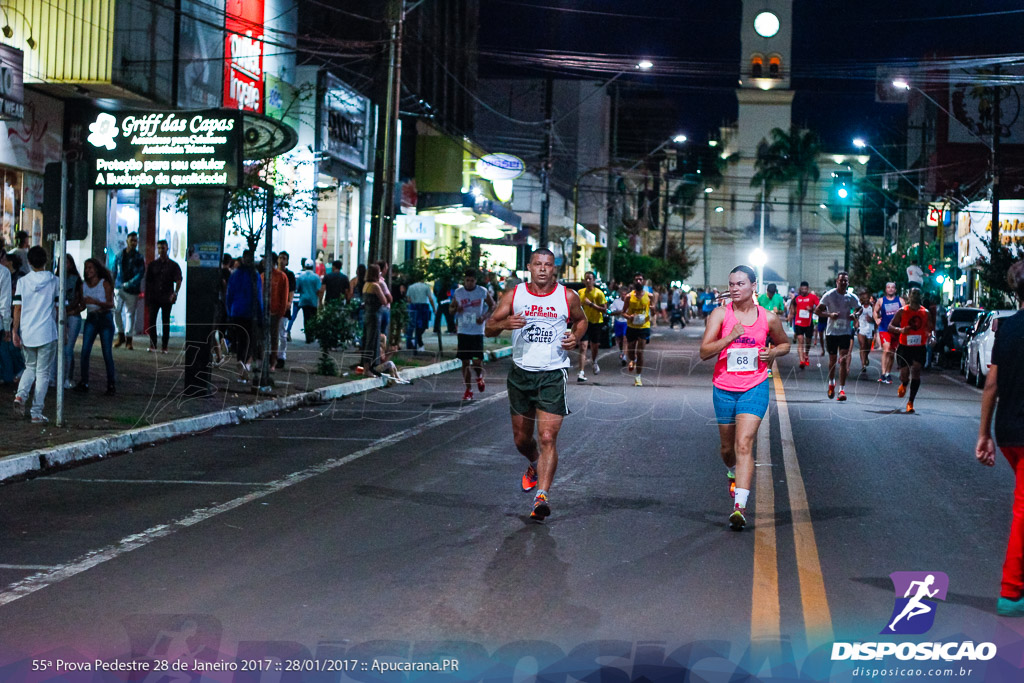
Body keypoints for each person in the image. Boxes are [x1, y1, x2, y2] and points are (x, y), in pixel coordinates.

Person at [485, 248, 587, 522]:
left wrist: (575, 337)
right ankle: (533, 464)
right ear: (529, 266)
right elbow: (488, 327)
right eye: (538, 264)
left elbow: (581, 321)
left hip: (553, 374)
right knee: (521, 440)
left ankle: (541, 496)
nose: (543, 269)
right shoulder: (514, 295)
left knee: (547, 438)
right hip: (521, 374)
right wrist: (505, 323)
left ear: (555, 269)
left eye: (548, 265)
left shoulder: (567, 296)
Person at [699, 265, 790, 531]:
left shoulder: (768, 318)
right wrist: (730, 337)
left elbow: (784, 344)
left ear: (753, 286)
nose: (735, 289)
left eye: (740, 284)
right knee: (728, 450)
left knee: (744, 444)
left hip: (755, 385)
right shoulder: (719, 315)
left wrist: (772, 354)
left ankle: (739, 507)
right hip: (724, 387)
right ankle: (731, 472)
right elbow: (704, 352)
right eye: (731, 284)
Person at [975, 260, 1024, 617]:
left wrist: (984, 433)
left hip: (1008, 431)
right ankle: (1010, 591)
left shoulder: (1006, 330)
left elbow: (991, 384)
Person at [12, 246, 59, 422]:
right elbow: (58, 307)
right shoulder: (54, 281)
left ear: (29, 262)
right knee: (43, 373)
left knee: (30, 367)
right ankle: (36, 412)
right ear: (45, 260)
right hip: (47, 332)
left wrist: (15, 330)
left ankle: (20, 396)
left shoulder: (23, 282)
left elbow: (17, 308)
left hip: (28, 332)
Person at [75, 258, 117, 396]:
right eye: (86, 268)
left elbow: (111, 304)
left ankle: (111, 384)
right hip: (92, 317)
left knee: (107, 352)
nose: (88, 271)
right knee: (85, 350)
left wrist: (96, 302)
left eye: (90, 268)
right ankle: (84, 381)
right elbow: (82, 305)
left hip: (104, 317)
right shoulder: (83, 285)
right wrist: (71, 311)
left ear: (97, 269)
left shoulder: (104, 283)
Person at [816, 272, 860, 402]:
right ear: (837, 281)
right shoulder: (829, 295)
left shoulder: (851, 297)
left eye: (846, 281)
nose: (844, 283)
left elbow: (859, 308)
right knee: (832, 360)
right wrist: (830, 315)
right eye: (841, 281)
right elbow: (817, 311)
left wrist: (855, 315)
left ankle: (842, 389)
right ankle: (831, 382)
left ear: (848, 283)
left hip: (845, 332)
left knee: (844, 360)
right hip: (832, 333)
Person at [451, 269, 495, 400]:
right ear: (464, 280)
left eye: (472, 280)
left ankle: (479, 376)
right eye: (467, 280)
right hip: (463, 331)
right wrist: (455, 309)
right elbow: (451, 309)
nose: (469, 283)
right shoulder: (459, 293)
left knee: (476, 361)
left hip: (477, 331)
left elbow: (492, 305)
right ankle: (468, 389)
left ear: (476, 281)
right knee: (465, 362)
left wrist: (484, 317)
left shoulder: (482, 291)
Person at [887, 287, 931, 414]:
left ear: (920, 296)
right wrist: (901, 330)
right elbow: (890, 326)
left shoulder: (925, 312)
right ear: (909, 295)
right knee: (904, 374)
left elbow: (930, 328)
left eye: (918, 293)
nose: (915, 296)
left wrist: (931, 337)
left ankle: (911, 402)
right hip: (904, 347)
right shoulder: (902, 311)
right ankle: (904, 384)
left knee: (916, 370)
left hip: (919, 347)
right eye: (913, 293)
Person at [225, 249, 263, 380]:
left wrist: (230, 311)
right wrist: (261, 313)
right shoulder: (255, 275)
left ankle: (241, 362)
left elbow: (229, 294)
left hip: (237, 311)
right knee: (251, 339)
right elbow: (258, 296)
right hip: (250, 312)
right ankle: (246, 365)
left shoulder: (235, 274)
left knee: (240, 340)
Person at [144, 239, 182, 354]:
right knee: (152, 321)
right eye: (159, 248)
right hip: (154, 297)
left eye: (163, 248)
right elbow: (148, 282)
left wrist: (175, 293)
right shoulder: (153, 265)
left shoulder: (173, 265)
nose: (161, 250)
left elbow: (178, 280)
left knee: (165, 321)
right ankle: (153, 344)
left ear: (167, 248)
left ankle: (164, 346)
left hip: (166, 297)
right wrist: (147, 297)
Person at [54, 255, 85, 388]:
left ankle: (67, 377)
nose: (64, 265)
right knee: (56, 348)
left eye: (67, 262)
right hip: (59, 314)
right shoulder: (55, 279)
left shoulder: (76, 280)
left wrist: (69, 311)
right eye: (62, 262)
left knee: (68, 349)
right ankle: (55, 377)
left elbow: (79, 299)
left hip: (72, 315)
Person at [112, 231, 145, 350]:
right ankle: (121, 335)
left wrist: (129, 283)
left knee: (130, 314)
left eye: (135, 241)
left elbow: (140, 273)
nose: (133, 243)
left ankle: (128, 339)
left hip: (132, 289)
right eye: (132, 240)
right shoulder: (119, 255)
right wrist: (112, 285)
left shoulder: (139, 257)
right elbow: (114, 270)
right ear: (127, 241)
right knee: (116, 311)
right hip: (118, 287)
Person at [576, 270, 607, 382]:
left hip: (596, 322)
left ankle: (594, 361)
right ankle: (581, 372)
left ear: (593, 280)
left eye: (590, 278)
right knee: (583, 346)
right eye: (586, 278)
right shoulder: (580, 292)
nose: (588, 280)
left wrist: (591, 304)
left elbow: (604, 310)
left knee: (594, 346)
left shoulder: (598, 293)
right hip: (584, 323)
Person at [623, 272, 653, 386]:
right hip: (632, 326)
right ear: (634, 282)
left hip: (644, 326)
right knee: (631, 351)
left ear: (644, 281)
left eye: (640, 279)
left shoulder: (649, 296)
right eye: (636, 280)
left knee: (640, 352)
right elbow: (623, 312)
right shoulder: (628, 297)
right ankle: (633, 360)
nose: (638, 281)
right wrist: (629, 317)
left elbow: (653, 310)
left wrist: (653, 310)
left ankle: (638, 377)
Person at [873, 282, 904, 384]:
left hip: (896, 329)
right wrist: (876, 319)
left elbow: (906, 313)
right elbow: (875, 311)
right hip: (884, 328)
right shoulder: (881, 301)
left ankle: (888, 373)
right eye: (888, 287)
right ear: (886, 289)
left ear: (895, 290)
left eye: (892, 287)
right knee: (886, 349)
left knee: (892, 352)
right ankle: (883, 373)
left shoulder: (901, 301)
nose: (890, 289)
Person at [265, 253, 290, 372]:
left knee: (274, 338)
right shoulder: (263, 276)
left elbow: (284, 296)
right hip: (264, 312)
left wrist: (281, 312)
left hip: (275, 312)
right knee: (264, 338)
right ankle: (265, 361)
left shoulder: (281, 276)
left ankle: (273, 362)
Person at [359, 264, 386, 373]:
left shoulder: (366, 285)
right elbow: (384, 301)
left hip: (367, 314)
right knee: (372, 341)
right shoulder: (375, 286)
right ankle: (367, 368)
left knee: (367, 340)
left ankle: (367, 366)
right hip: (374, 315)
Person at [789, 281, 819, 368]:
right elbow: (792, 309)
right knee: (800, 341)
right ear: (800, 289)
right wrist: (790, 317)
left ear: (808, 289)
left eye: (805, 289)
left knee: (808, 342)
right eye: (802, 289)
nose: (804, 291)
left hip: (809, 323)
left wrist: (812, 309)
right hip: (798, 322)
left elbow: (819, 307)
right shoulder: (796, 298)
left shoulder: (813, 297)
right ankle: (801, 360)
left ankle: (806, 354)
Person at [405, 277, 436, 351]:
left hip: (413, 306)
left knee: (412, 325)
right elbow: (430, 299)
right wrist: (434, 309)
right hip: (423, 307)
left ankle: (411, 342)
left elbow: (408, 299)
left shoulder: (411, 287)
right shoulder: (426, 287)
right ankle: (418, 341)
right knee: (423, 326)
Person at [295, 262, 321, 343]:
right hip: (313, 301)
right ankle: (312, 335)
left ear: (305, 267)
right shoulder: (316, 277)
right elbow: (318, 290)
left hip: (304, 300)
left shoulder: (301, 277)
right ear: (312, 267)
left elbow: (297, 288)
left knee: (306, 318)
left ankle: (307, 336)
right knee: (313, 318)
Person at [277, 251, 296, 362]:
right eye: (280, 258)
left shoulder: (289, 275)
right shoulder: (273, 273)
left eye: (284, 258)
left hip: (284, 306)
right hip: (274, 305)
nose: (282, 261)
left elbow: (291, 289)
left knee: (282, 333)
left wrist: (289, 302)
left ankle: (281, 355)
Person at [856, 288, 876, 375]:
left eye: (867, 298)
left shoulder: (873, 307)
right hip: (861, 328)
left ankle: (866, 356)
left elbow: (876, 318)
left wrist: (871, 319)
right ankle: (863, 365)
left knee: (867, 347)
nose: (866, 300)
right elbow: (855, 315)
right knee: (863, 346)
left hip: (870, 328)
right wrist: (856, 322)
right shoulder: (859, 307)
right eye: (864, 298)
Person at [609, 285, 629, 365]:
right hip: (618, 322)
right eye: (622, 294)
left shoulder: (630, 302)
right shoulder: (616, 302)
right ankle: (621, 351)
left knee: (625, 339)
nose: (624, 296)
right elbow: (611, 312)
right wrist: (619, 312)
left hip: (626, 322)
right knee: (619, 339)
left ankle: (624, 356)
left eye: (625, 294)